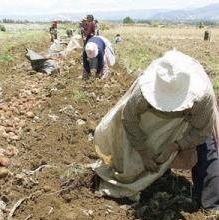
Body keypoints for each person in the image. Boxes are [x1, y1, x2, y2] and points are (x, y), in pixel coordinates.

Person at [94, 50, 219, 209]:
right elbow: (130, 120)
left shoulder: (202, 95)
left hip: (192, 115)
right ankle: (155, 174)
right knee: (145, 138)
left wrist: (175, 146)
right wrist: (144, 153)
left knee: (206, 151)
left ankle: (213, 206)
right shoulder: (142, 91)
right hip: (151, 108)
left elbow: (201, 132)